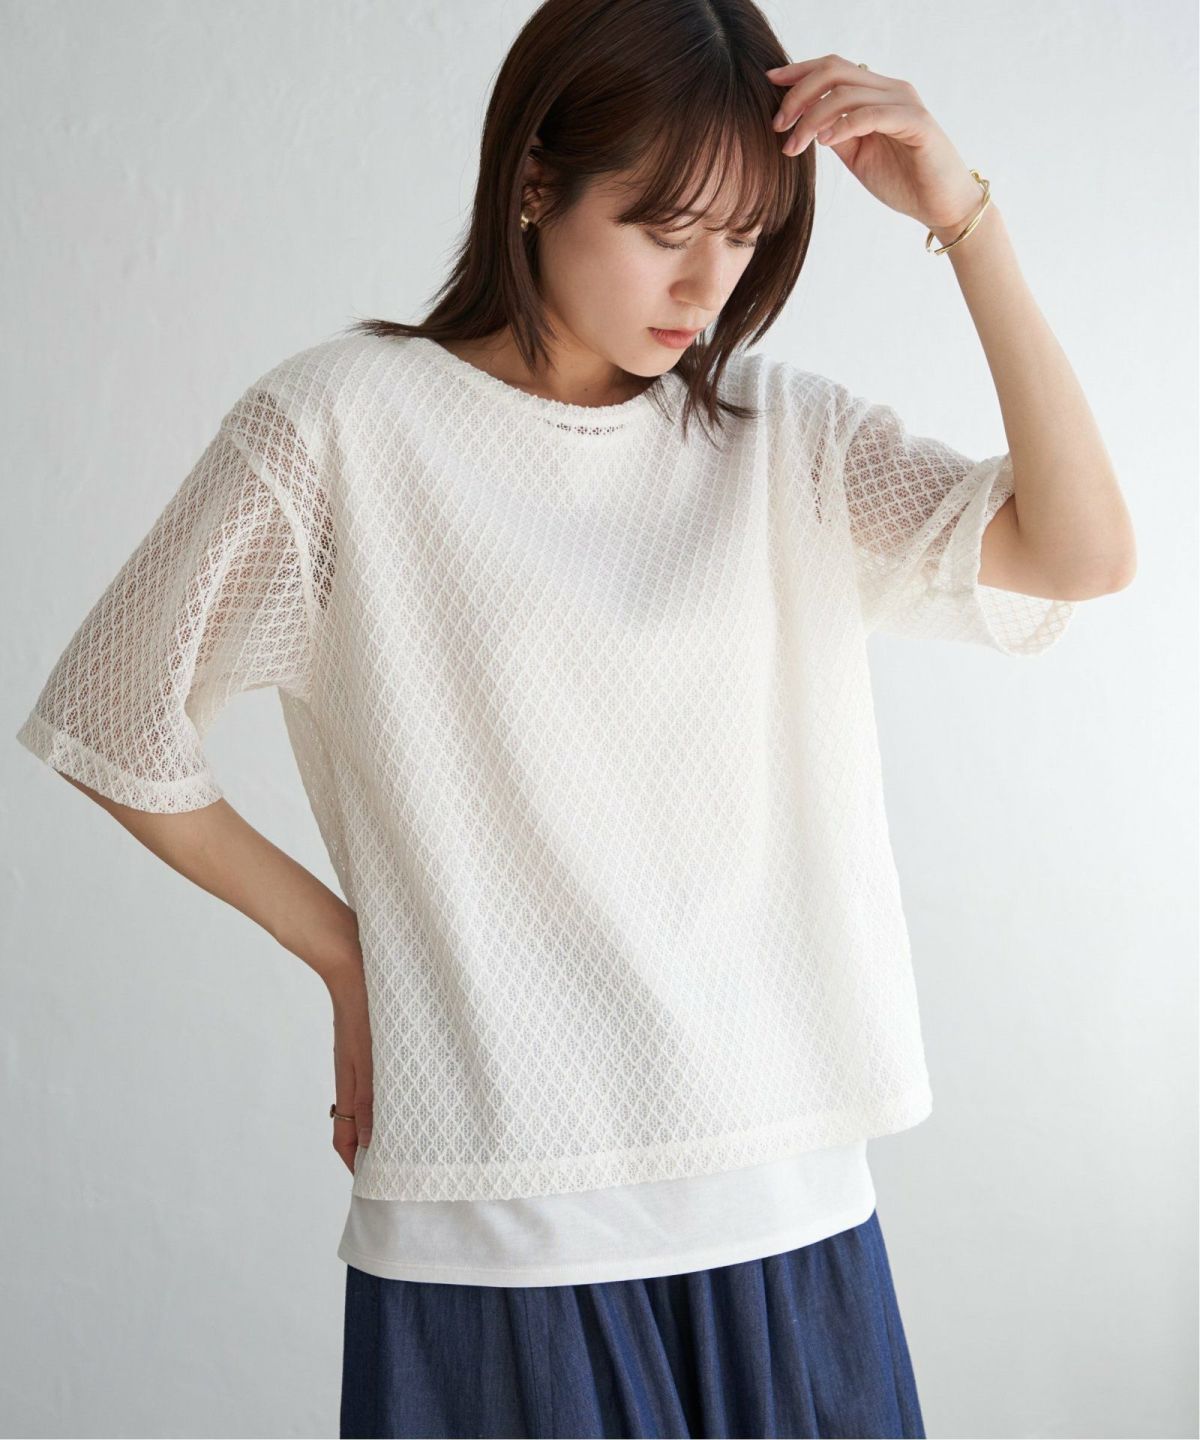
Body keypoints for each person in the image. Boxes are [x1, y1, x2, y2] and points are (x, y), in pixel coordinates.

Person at [15, 1, 1136, 1437]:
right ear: (536, 182)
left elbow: (1082, 554)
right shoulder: (342, 428)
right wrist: (350, 956)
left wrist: (965, 220)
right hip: (498, 1216)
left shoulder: (777, 442)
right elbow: (114, 716)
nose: (708, 286)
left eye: (745, 238)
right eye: (665, 229)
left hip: (783, 1201)